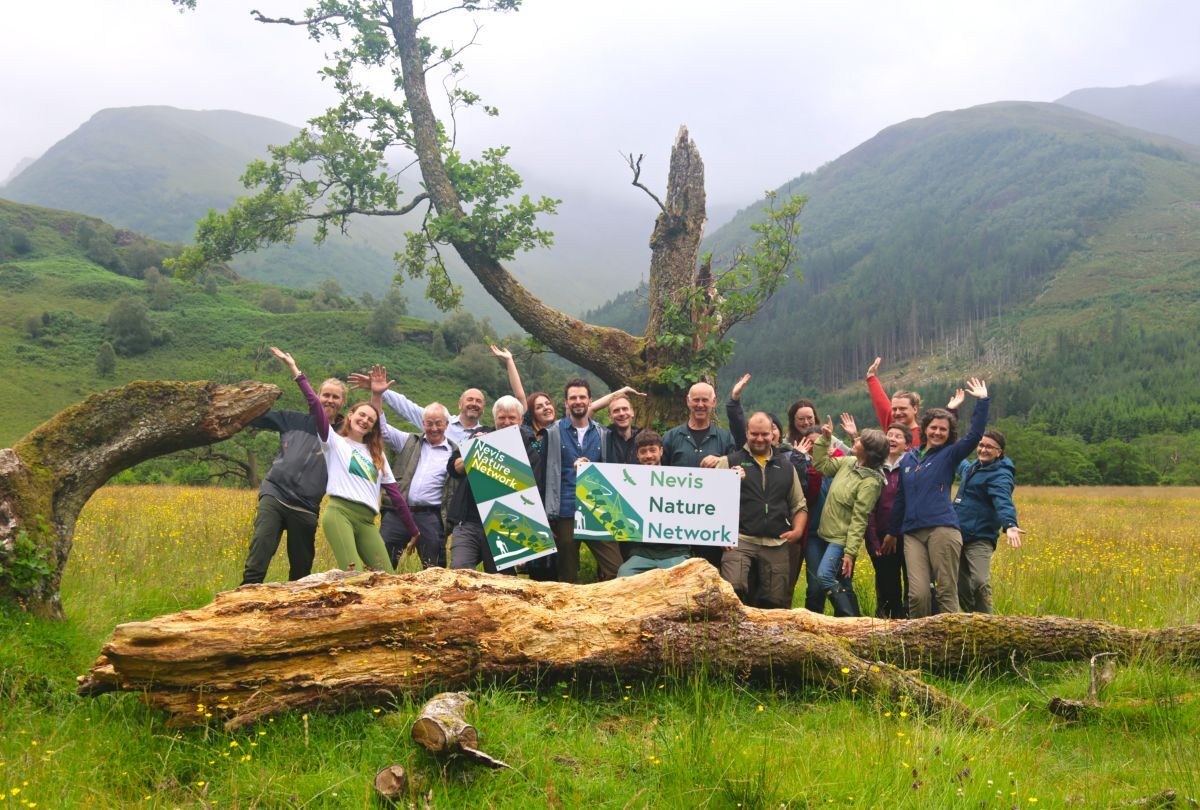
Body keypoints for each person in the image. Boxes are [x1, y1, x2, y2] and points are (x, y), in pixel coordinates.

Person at [269, 347, 418, 574]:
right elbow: (315, 405)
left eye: (370, 419)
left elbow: (396, 496)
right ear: (350, 415)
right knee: (355, 577)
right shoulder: (334, 441)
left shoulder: (377, 454)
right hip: (340, 514)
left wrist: (414, 530)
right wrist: (296, 371)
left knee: (387, 578)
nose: (365, 420)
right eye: (361, 415)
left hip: (367, 520)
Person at [883, 377, 991, 618]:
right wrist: (892, 531)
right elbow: (901, 497)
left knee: (945, 591)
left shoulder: (949, 454)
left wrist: (982, 402)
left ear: (948, 433)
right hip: (912, 533)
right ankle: (919, 647)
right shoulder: (909, 458)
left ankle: (953, 646)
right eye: (933, 428)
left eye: (943, 429)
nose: (938, 432)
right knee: (917, 594)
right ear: (925, 429)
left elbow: (974, 436)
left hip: (942, 529)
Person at [239, 375, 347, 585]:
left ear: (342, 402)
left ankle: (295, 609)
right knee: (260, 548)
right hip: (275, 493)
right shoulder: (292, 419)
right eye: (326, 395)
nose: (330, 400)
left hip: (306, 506)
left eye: (335, 397)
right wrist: (240, 400)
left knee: (301, 568)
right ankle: (243, 598)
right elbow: (255, 417)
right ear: (317, 396)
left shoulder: (345, 435)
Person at [360, 366, 457, 569]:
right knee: (379, 566)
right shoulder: (408, 441)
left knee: (434, 572)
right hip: (397, 514)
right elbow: (381, 428)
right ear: (423, 424)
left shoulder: (455, 453)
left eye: (438, 423)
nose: (433, 428)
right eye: (429, 423)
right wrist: (377, 395)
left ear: (447, 424)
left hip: (431, 517)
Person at [713, 412, 808, 608]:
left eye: (764, 434)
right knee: (734, 590)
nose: (759, 439)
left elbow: (799, 504)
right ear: (746, 433)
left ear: (772, 434)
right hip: (739, 539)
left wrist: (798, 531)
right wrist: (719, 533)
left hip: (776, 540)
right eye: (754, 434)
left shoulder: (787, 466)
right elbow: (710, 501)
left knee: (775, 601)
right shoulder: (729, 462)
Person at [446, 395, 544, 573]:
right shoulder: (478, 436)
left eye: (512, 418)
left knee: (502, 585)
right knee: (460, 574)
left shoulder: (530, 452)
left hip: (504, 526)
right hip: (469, 522)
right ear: (494, 419)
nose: (506, 422)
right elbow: (453, 468)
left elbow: (532, 495)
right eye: (502, 418)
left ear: (521, 420)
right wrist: (475, 449)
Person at [350, 343, 520, 444]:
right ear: (460, 404)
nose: (474, 403)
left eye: (478, 401)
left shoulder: (488, 435)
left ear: (483, 408)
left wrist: (509, 360)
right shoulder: (438, 422)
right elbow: (405, 406)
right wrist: (381, 392)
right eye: (470, 399)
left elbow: (520, 404)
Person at [542, 378, 623, 582]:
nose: (578, 401)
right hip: (565, 511)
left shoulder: (603, 434)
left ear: (590, 401)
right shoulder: (552, 433)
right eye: (573, 398)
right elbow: (544, 475)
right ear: (566, 403)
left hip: (597, 510)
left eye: (582, 397)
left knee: (616, 569)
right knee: (567, 575)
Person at [806, 418, 888, 617]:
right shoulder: (849, 462)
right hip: (825, 533)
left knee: (825, 577)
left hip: (840, 539)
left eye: (861, 440)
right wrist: (825, 440)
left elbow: (860, 518)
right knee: (841, 581)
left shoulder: (870, 482)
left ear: (867, 451)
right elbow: (821, 464)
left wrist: (850, 553)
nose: (856, 439)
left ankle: (850, 619)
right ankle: (852, 621)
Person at [663, 381, 737, 567]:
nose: (700, 405)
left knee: (710, 572)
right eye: (696, 400)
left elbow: (736, 475)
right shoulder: (671, 437)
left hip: (711, 522)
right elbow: (659, 476)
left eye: (705, 400)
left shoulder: (725, 438)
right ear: (688, 401)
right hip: (677, 520)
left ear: (714, 402)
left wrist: (722, 460)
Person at [954, 429, 1025, 613]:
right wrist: (950, 445)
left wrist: (1010, 525)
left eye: (989, 447)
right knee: (960, 585)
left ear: (999, 451)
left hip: (980, 537)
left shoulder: (1000, 475)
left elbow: (1003, 500)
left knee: (979, 581)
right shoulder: (974, 467)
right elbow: (960, 464)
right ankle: (974, 624)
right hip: (958, 534)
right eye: (981, 445)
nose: (983, 450)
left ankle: (988, 622)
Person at [615, 430, 693, 577]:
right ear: (637, 455)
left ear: (661, 451)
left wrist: (734, 476)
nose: (648, 455)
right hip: (642, 553)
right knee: (623, 575)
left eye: (653, 450)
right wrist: (582, 468)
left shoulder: (680, 480)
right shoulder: (627, 482)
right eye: (643, 452)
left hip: (675, 552)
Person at [864, 422, 913, 618]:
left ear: (907, 445)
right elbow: (869, 509)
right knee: (888, 587)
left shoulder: (912, 467)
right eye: (889, 434)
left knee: (914, 585)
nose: (892, 438)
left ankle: (913, 624)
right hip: (881, 537)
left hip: (909, 536)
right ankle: (889, 630)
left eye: (897, 436)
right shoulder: (873, 468)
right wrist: (874, 541)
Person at [863, 356, 964, 447]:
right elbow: (880, 402)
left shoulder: (925, 434)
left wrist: (951, 410)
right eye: (894, 409)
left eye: (902, 408)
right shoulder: (892, 426)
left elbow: (944, 431)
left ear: (915, 409)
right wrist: (871, 376)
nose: (897, 412)